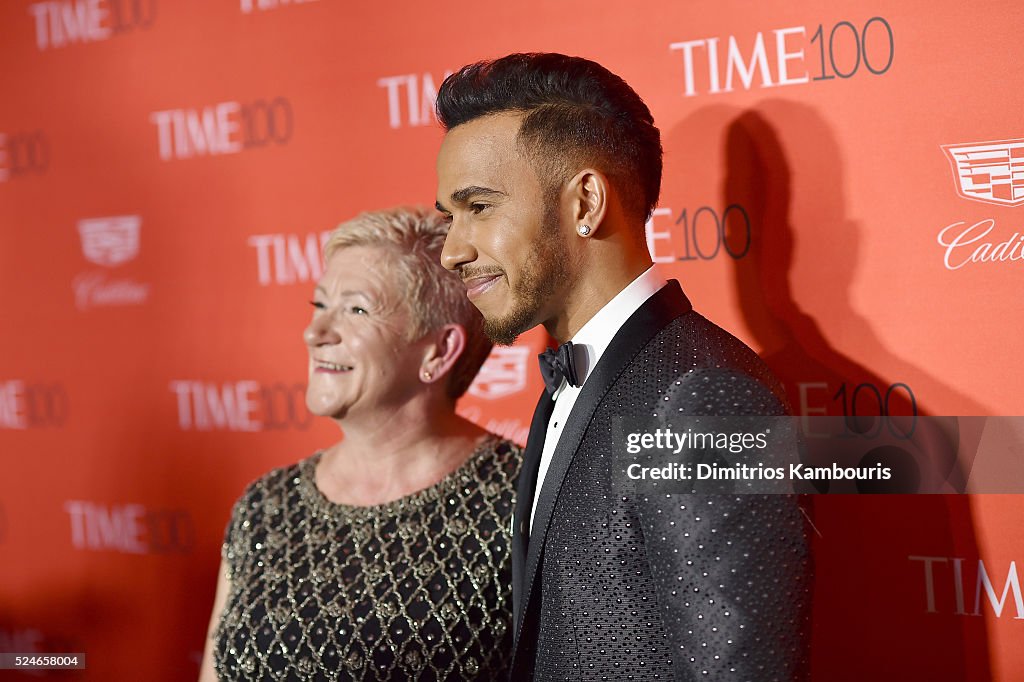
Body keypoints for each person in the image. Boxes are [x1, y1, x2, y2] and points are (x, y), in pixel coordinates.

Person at [434, 53, 812, 680]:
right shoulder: (579, 376)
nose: (452, 250)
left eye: (479, 207)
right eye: (450, 215)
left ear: (585, 202)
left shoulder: (700, 398)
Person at [198, 207, 522, 680]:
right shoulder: (266, 507)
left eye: (355, 309)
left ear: (439, 350)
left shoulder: (522, 501)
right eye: (319, 305)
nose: (315, 334)